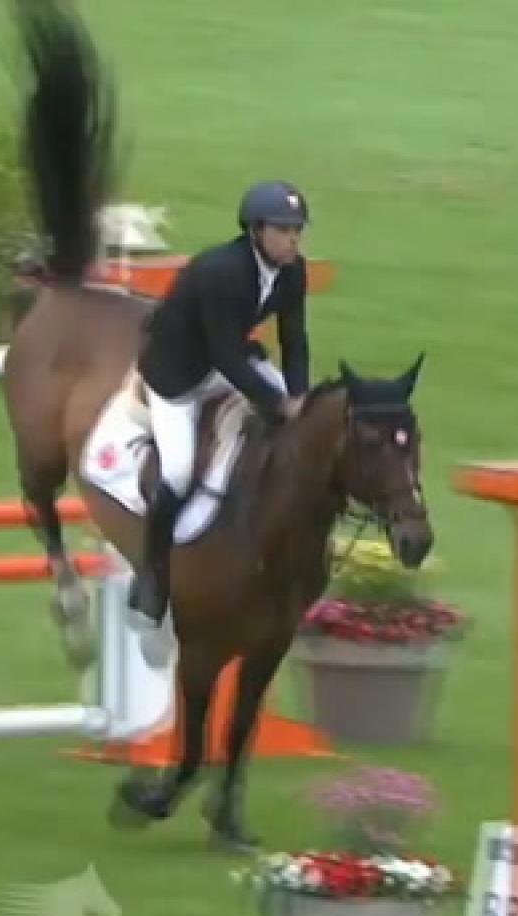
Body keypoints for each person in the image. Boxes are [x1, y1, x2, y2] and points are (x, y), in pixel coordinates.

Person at [127, 179, 315, 627]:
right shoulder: (222, 271)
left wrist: (300, 397)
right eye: (283, 230)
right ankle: (152, 574)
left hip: (229, 359)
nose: (293, 240)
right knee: (177, 472)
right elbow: (224, 356)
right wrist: (277, 404)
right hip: (177, 375)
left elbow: (294, 339)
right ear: (256, 231)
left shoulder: (293, 272)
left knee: (293, 436)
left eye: (297, 230)